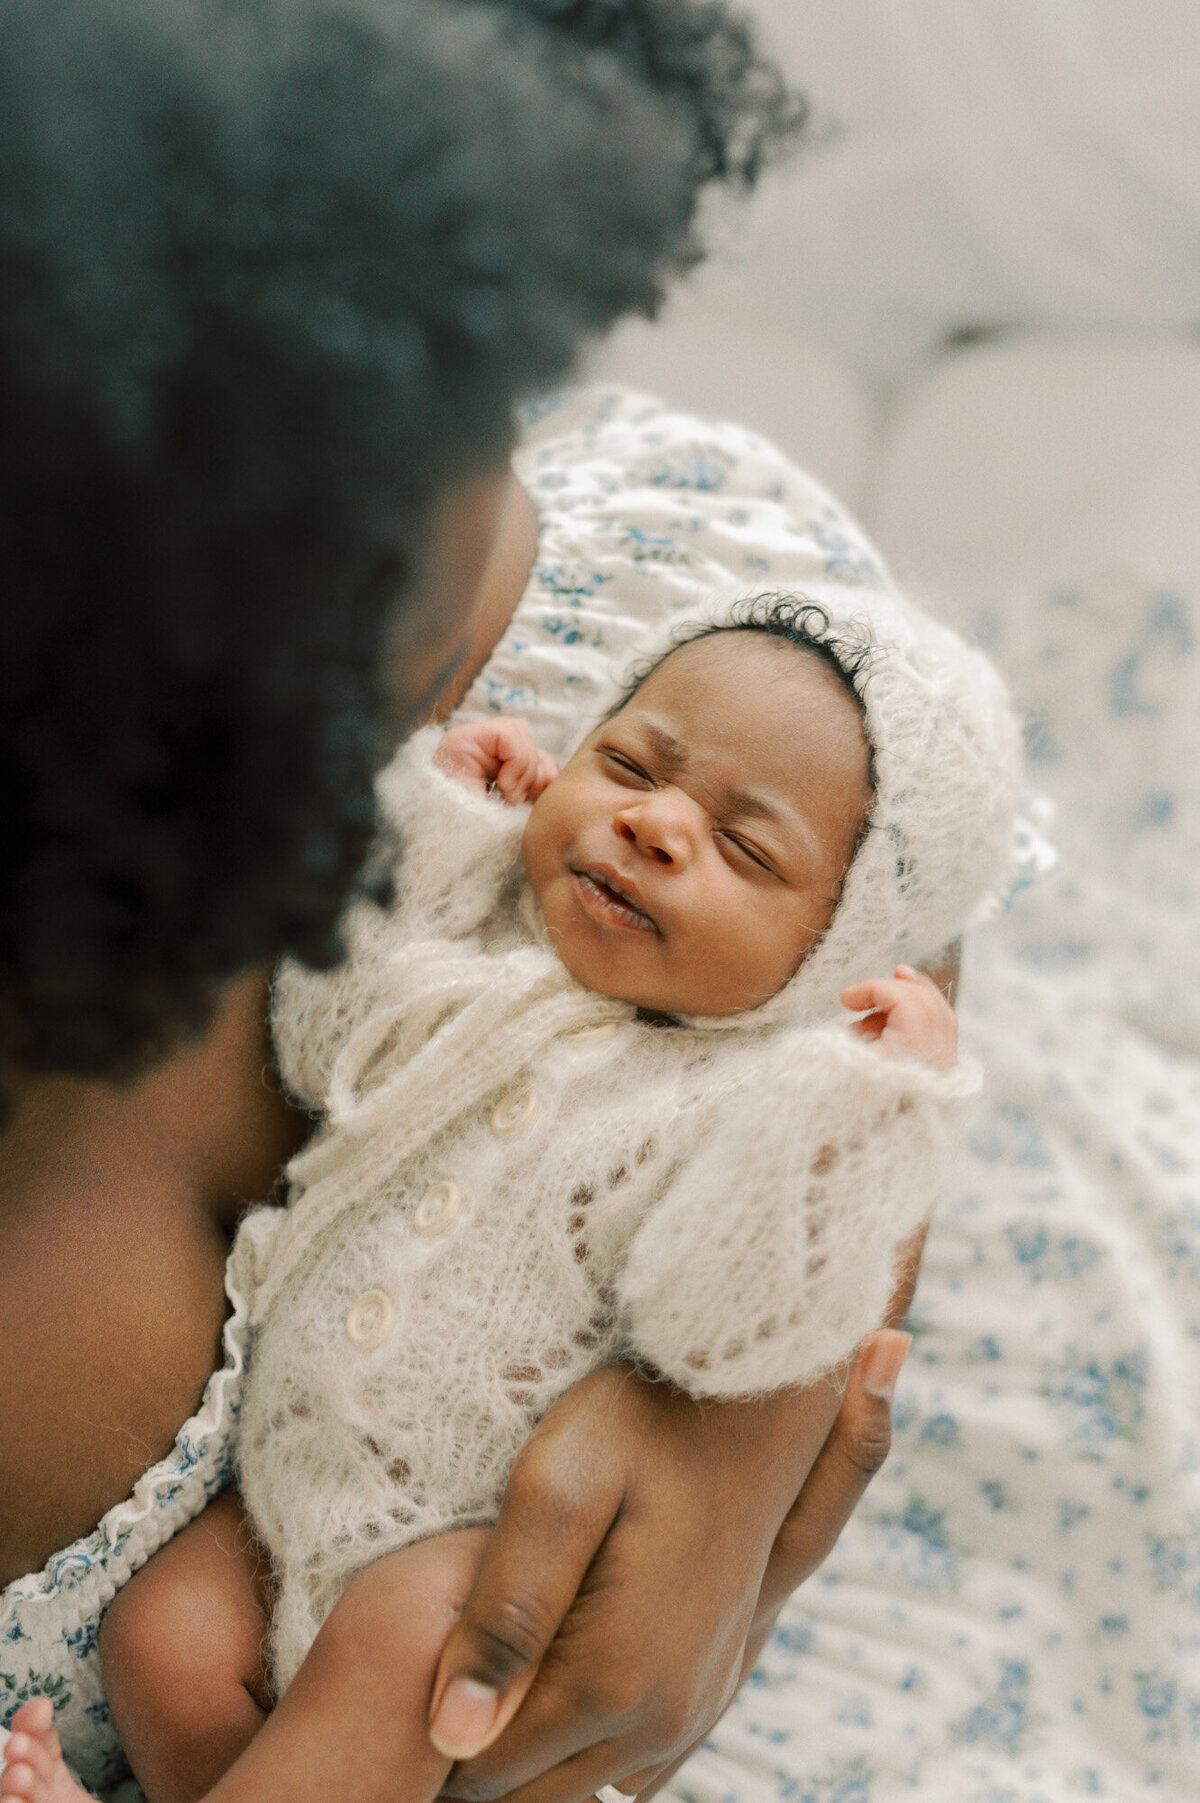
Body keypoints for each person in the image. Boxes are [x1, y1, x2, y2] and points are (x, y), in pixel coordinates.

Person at [0, 1, 920, 1798]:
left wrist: (746, 1401)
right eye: (309, 629)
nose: (464, 698)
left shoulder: (686, 567)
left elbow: (889, 907)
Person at [1, 592, 1019, 1803]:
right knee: (165, 1638)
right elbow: (329, 1038)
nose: (652, 825)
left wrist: (859, 1130)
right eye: (629, 764)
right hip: (291, 1493)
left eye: (746, 850)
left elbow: (726, 1326)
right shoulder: (486, 967)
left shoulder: (745, 1104)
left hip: (460, 1561)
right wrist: (444, 838)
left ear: (835, 957)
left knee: (398, 1645)